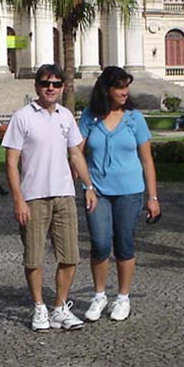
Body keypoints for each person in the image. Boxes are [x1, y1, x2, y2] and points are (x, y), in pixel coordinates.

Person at [2, 64, 97, 332]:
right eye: (46, 83)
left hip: (64, 195)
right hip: (33, 197)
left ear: (63, 87)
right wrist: (18, 199)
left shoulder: (66, 116)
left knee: (70, 257)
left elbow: (76, 154)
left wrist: (89, 186)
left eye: (56, 83)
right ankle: (39, 307)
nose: (51, 88)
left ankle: (59, 307)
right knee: (33, 258)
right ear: (36, 86)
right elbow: (11, 163)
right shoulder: (22, 117)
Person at [77, 65, 160, 323]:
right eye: (119, 87)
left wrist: (153, 197)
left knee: (124, 243)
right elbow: (76, 153)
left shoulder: (135, 118)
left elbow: (147, 160)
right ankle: (99, 294)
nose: (125, 92)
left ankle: (123, 297)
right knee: (100, 243)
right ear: (106, 89)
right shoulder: (90, 117)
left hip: (130, 191)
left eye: (126, 87)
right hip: (97, 191)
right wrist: (84, 185)